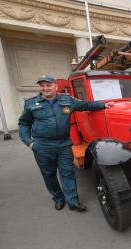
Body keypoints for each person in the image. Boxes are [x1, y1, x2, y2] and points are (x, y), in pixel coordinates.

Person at [18, 75, 114, 212]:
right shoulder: (31, 104)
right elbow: (23, 124)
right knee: (49, 174)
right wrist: (30, 142)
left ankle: (73, 201)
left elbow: (85, 105)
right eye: (42, 85)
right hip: (42, 146)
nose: (45, 88)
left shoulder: (67, 100)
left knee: (67, 173)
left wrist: (104, 104)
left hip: (63, 144)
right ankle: (58, 198)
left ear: (56, 86)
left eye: (48, 85)